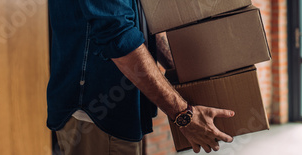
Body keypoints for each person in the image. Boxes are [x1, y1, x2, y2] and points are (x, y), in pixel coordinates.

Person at [47, 0, 234, 154]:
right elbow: (118, 36)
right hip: (97, 114)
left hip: (120, 111)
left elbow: (140, 27)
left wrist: (180, 72)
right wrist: (183, 115)